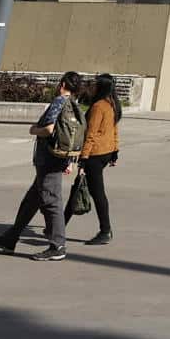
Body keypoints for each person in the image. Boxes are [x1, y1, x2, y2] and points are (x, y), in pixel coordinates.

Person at [0, 72, 84, 261]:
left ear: (63, 84)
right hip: (60, 158)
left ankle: (58, 245)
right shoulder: (76, 106)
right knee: (31, 201)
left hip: (48, 160)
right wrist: (71, 162)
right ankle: (10, 238)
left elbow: (49, 129)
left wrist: (33, 129)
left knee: (51, 201)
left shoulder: (59, 101)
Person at [66, 72, 121, 246]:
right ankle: (58, 225)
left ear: (102, 87)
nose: (93, 87)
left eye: (96, 84)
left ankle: (105, 230)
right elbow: (113, 130)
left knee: (95, 193)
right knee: (79, 187)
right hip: (105, 152)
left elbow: (91, 134)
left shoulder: (98, 106)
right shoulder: (112, 104)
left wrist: (83, 158)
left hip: (95, 155)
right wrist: (115, 151)